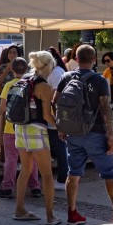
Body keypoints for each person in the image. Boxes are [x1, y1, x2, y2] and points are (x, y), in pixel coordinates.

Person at [59, 45, 113, 225]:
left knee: (73, 173)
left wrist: (61, 128)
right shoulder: (99, 80)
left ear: (76, 59)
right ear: (94, 59)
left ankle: (72, 213)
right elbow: (106, 110)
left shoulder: (66, 77)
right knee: (110, 174)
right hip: (96, 134)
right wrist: (110, 137)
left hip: (73, 134)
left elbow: (58, 103)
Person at [11, 52, 58, 225]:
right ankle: (50, 216)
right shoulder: (43, 86)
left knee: (25, 170)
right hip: (36, 129)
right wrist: (60, 127)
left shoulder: (25, 79)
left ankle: (19, 209)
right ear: (48, 66)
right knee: (46, 174)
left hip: (20, 128)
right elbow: (46, 115)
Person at [0, 58, 40, 200]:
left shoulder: (9, 85)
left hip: (11, 128)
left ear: (12, 70)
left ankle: (7, 187)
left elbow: (2, 107)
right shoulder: (31, 83)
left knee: (11, 159)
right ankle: (35, 187)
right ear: (26, 69)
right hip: (29, 127)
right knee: (31, 159)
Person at [44, 51, 68, 191]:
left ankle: (63, 178)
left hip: (55, 116)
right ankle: (63, 177)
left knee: (60, 148)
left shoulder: (56, 73)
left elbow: (56, 97)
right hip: (55, 116)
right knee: (59, 148)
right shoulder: (57, 71)